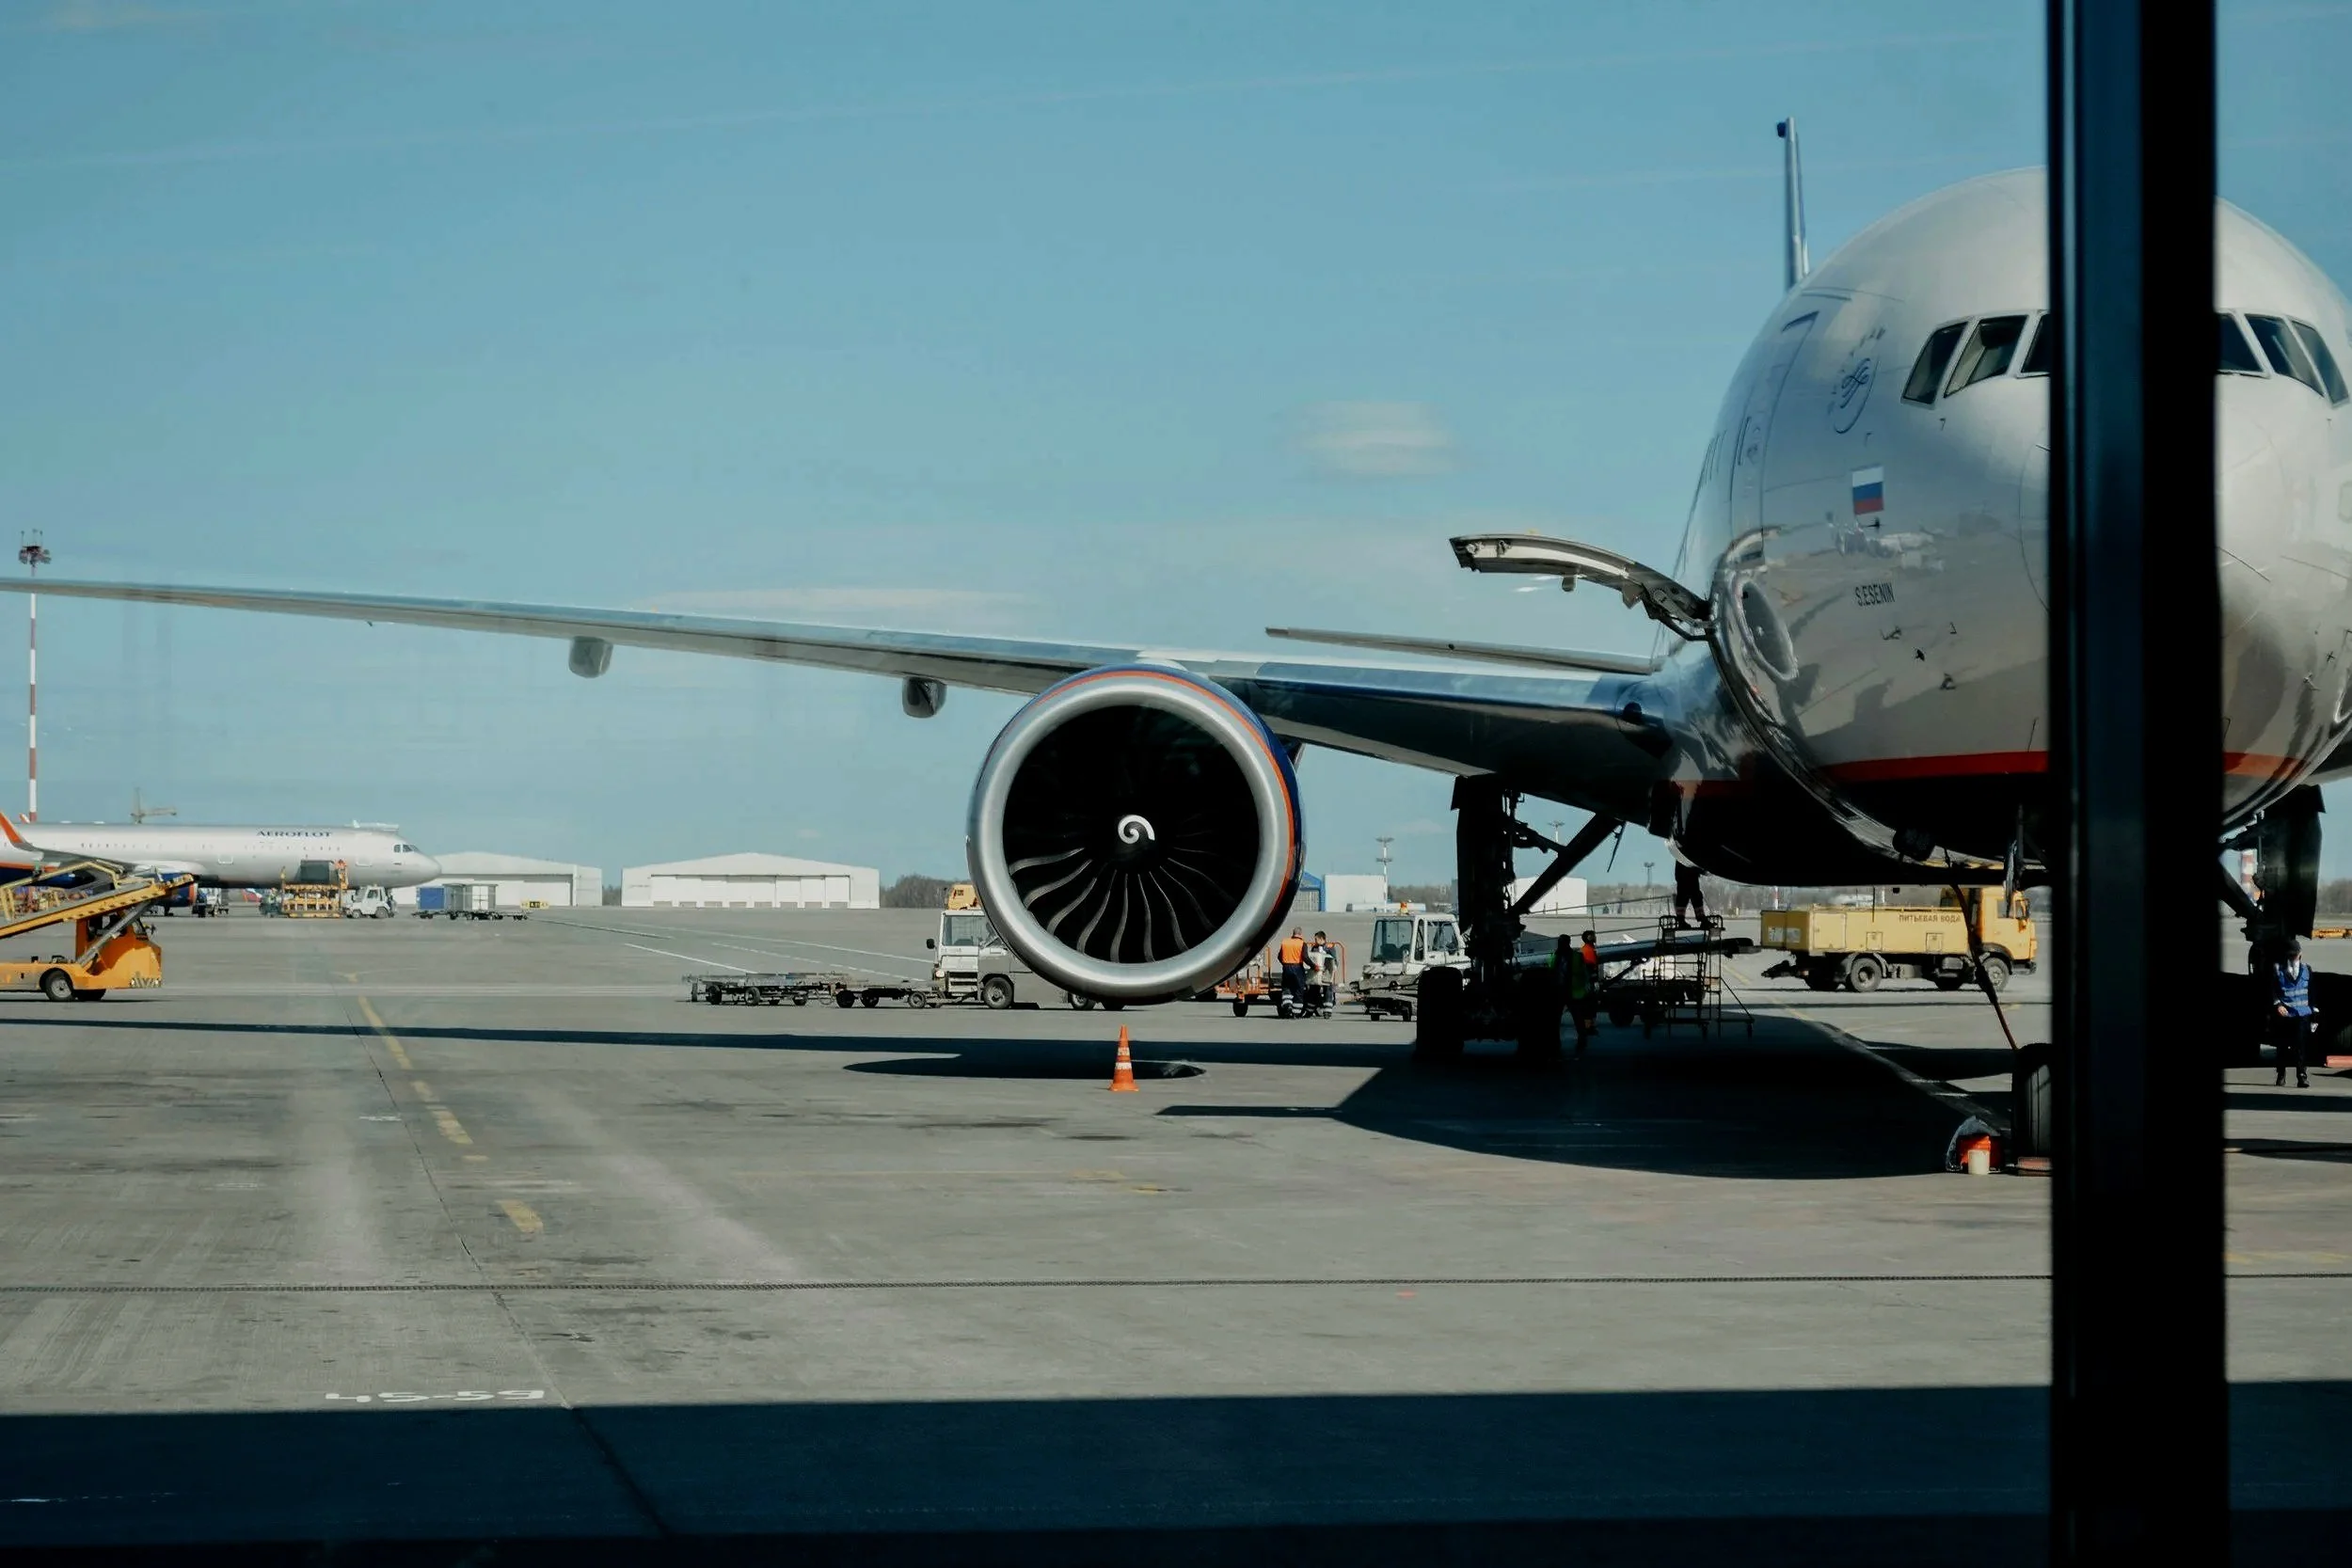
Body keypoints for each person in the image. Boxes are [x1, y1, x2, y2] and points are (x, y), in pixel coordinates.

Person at [2268, 936, 2317, 1088]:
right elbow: (2272, 990)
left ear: (2300, 955)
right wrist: (2277, 1005)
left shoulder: (2307, 970)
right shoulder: (2278, 970)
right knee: (2282, 1046)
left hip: (2302, 1014)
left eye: (2295, 955)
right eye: (2290, 955)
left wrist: (2314, 1016)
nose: (2293, 957)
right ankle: (2281, 1074)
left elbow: (2312, 993)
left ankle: (2301, 1076)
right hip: (2285, 1014)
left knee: (2300, 1047)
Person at [1560, 928, 1600, 1052]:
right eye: (1593, 936)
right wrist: (1591, 983)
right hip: (1575, 992)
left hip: (1562, 992)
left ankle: (1554, 1043)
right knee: (1580, 1015)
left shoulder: (1555, 956)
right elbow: (1587, 970)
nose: (1595, 938)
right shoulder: (1581, 955)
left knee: (1563, 1017)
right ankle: (1583, 1037)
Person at [1277, 927, 1308, 1014]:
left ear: (1293, 933)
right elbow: (1305, 957)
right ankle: (1296, 1012)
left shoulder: (1285, 942)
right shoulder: (1302, 943)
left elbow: (1279, 956)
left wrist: (1285, 964)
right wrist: (1313, 966)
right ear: (1300, 934)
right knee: (1299, 988)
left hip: (1286, 968)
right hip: (1298, 968)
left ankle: (1287, 1004)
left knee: (1287, 987)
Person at [1673, 861, 1710, 930]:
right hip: (1687, 879)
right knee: (1694, 897)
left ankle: (1681, 921)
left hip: (1685, 879)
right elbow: (1693, 867)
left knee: (1686, 899)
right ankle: (1701, 919)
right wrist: (1704, 871)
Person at [1306, 930, 1337, 1014]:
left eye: (1316, 939)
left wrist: (1333, 970)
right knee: (1313, 991)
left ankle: (1327, 1011)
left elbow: (1334, 961)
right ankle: (1309, 1011)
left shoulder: (1330, 948)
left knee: (1328, 991)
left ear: (1321, 938)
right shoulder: (1314, 948)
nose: (1315, 941)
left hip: (1326, 973)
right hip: (1316, 973)